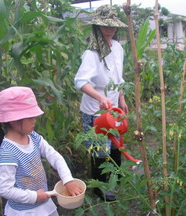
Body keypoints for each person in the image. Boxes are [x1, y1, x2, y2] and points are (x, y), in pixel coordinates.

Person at [0, 86, 82, 216]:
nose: (34, 121)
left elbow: (54, 156)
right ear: (13, 120)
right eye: (29, 117)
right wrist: (33, 197)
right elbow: (5, 189)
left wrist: (68, 180)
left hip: (44, 204)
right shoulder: (8, 152)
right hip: (24, 211)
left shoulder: (33, 137)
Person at [74, 5, 128, 202]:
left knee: (115, 142)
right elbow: (80, 82)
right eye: (104, 26)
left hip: (112, 108)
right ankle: (99, 186)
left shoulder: (118, 47)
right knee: (100, 148)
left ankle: (115, 176)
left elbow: (118, 77)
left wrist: (121, 98)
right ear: (96, 26)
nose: (109, 30)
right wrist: (100, 98)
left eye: (112, 26)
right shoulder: (92, 53)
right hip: (95, 111)